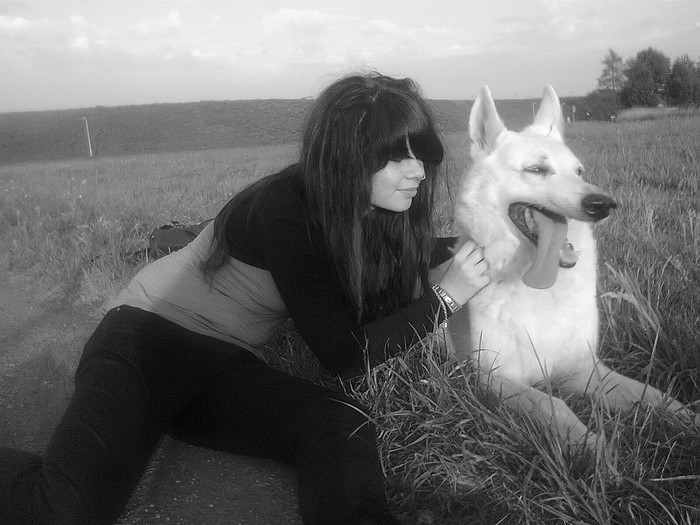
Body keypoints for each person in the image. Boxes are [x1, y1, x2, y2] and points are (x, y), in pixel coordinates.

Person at [0, 72, 489, 525]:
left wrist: (485, 245)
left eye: (421, 154)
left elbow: (409, 253)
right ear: (349, 155)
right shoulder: (287, 210)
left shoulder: (360, 208)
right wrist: (446, 298)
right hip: (146, 342)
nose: (418, 171)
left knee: (338, 418)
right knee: (61, 510)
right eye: (399, 157)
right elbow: (344, 355)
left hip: (224, 368)